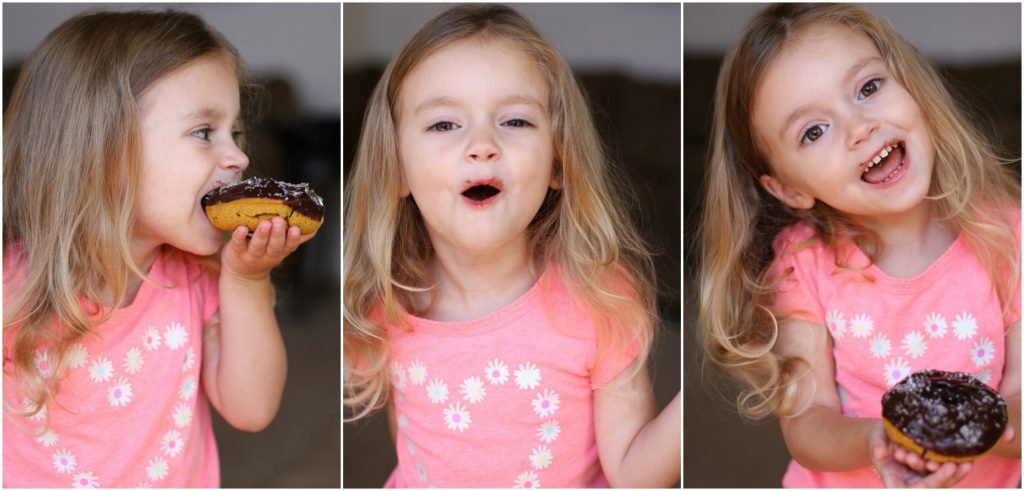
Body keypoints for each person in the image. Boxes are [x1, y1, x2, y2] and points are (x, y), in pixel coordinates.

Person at [343, 4, 680, 488]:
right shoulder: (387, 303)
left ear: (558, 161)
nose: (482, 145)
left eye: (515, 122)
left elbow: (634, 475)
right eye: (444, 124)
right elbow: (414, 453)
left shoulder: (598, 299)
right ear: (396, 168)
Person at [697, 3, 1021, 488]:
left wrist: (964, 435)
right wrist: (880, 440)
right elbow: (808, 421)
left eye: (868, 88)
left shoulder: (1005, 233)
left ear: (911, 84)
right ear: (788, 188)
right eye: (814, 131)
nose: (860, 128)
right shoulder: (801, 265)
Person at [2, 10, 317, 487]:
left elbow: (252, 409)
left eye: (234, 132)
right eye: (203, 132)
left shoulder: (195, 278)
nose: (238, 157)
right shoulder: (12, 291)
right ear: (103, 150)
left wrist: (247, 280)